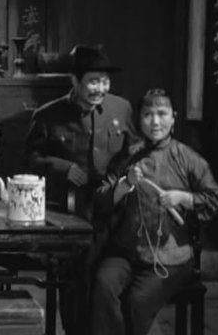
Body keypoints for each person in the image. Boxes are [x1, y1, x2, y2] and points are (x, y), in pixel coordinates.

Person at [86, 88, 218, 335]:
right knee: (104, 281)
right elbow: (101, 198)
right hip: (126, 252)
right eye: (148, 114)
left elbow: (215, 202)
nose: (155, 121)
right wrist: (125, 184)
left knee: (136, 299)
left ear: (174, 118)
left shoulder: (187, 158)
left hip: (171, 259)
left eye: (162, 114)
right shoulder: (128, 157)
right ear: (140, 120)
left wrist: (184, 198)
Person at [25, 44, 139, 227]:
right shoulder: (47, 115)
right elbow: (30, 158)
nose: (100, 89)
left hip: (114, 204)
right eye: (93, 82)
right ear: (75, 81)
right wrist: (63, 169)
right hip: (66, 207)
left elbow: (134, 149)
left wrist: (120, 177)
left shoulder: (122, 108)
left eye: (105, 82)